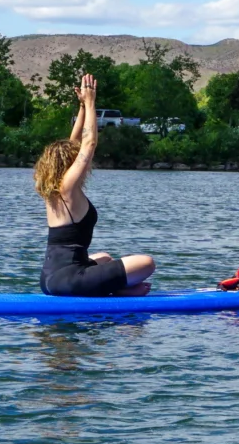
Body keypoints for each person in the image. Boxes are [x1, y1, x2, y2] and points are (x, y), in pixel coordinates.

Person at [36, 73, 155, 297]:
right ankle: (118, 292)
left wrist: (82, 107)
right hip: (69, 280)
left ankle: (115, 288)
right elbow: (88, 143)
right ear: (69, 164)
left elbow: (74, 143)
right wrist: (91, 103)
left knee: (104, 258)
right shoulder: (67, 189)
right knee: (146, 263)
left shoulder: (53, 189)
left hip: (50, 278)